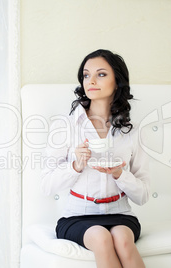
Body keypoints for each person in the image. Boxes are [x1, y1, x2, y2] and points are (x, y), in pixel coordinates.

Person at [41, 49, 150, 268]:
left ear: (117, 81)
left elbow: (143, 195)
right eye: (86, 75)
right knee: (101, 237)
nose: (91, 80)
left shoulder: (132, 131)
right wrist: (76, 166)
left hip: (121, 214)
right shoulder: (66, 126)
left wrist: (120, 174)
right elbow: (46, 186)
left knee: (122, 239)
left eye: (101, 74)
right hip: (77, 216)